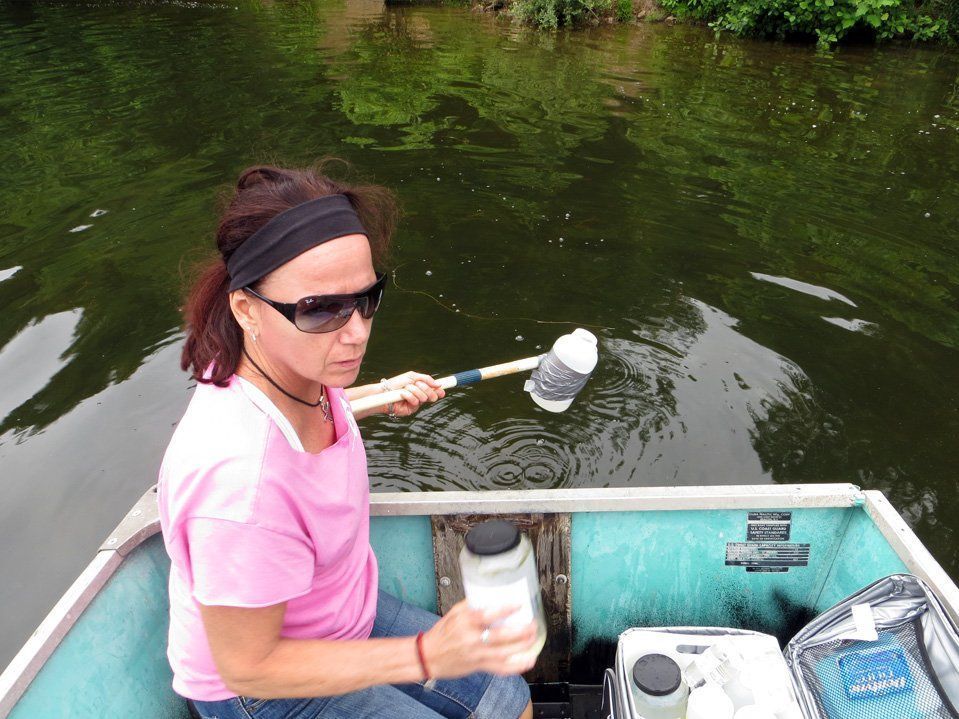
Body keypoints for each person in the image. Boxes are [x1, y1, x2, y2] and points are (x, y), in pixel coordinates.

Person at [157, 163, 536, 719]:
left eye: (367, 297)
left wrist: (381, 393)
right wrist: (426, 655)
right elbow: (247, 665)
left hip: (338, 610)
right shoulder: (239, 487)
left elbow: (300, 425)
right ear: (245, 308)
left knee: (509, 697)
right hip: (262, 684)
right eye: (321, 308)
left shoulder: (280, 364)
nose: (356, 332)